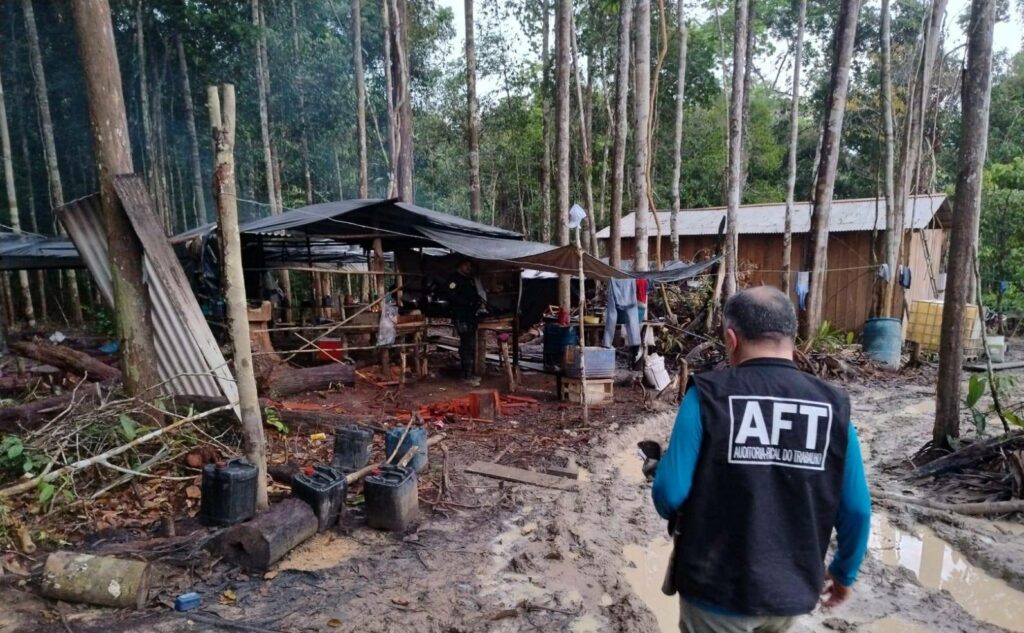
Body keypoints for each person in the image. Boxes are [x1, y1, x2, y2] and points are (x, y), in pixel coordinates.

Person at [651, 286, 871, 633]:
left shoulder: (707, 395)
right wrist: (844, 573)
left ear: (731, 339)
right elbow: (857, 509)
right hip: (788, 596)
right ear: (792, 337)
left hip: (715, 592)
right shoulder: (833, 406)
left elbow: (669, 493)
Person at [447, 260, 485, 384]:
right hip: (461, 315)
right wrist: (468, 302)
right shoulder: (454, 280)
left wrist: (477, 302)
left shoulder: (468, 279)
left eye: (470, 266)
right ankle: (466, 375)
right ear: (460, 265)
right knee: (466, 344)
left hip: (469, 316)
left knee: (469, 343)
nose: (469, 268)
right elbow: (452, 297)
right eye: (466, 265)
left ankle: (468, 373)